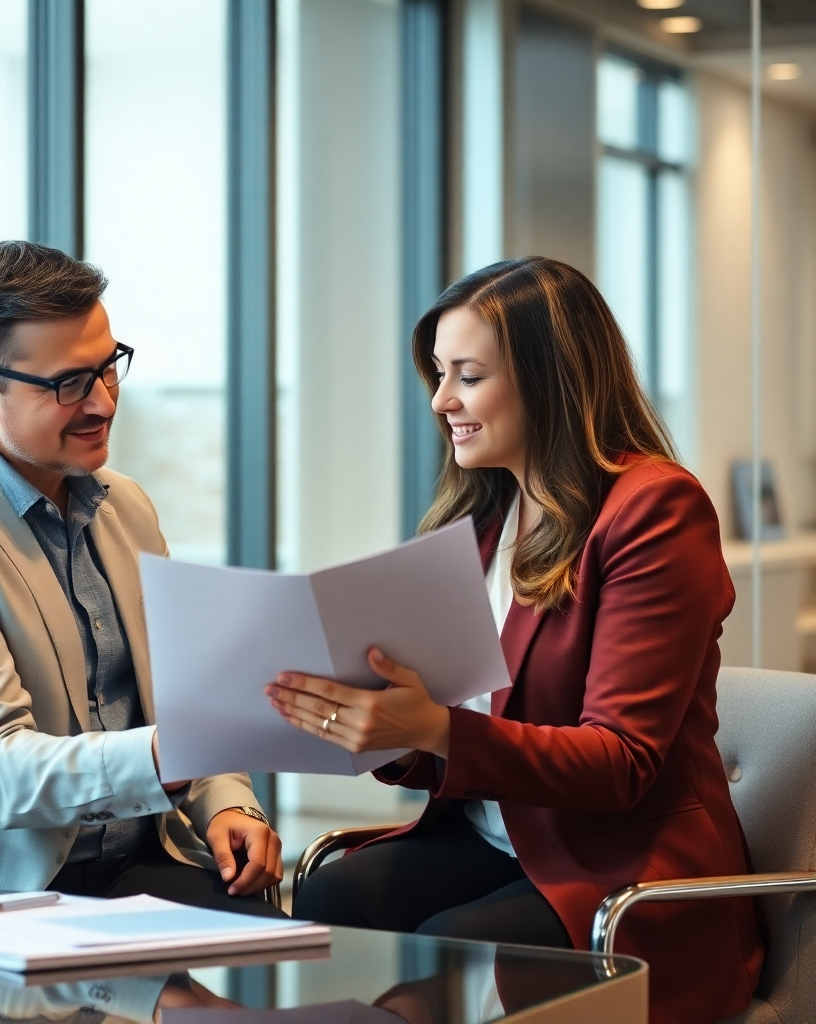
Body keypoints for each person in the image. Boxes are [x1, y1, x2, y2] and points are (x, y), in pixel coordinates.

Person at [268, 257, 764, 1022]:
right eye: (439, 374)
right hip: (505, 840)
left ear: (549, 378)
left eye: (467, 375)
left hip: (620, 864)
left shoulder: (655, 510)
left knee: (452, 946)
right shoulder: (483, 521)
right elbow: (459, 716)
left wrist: (435, 727)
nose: (441, 401)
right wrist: (388, 727)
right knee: (334, 888)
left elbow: (622, 762)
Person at [0, 240, 282, 915]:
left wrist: (226, 803)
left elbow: (178, 700)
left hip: (128, 869)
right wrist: (172, 755)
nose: (103, 402)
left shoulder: (124, 505)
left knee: (288, 936)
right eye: (69, 383)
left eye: (108, 368)